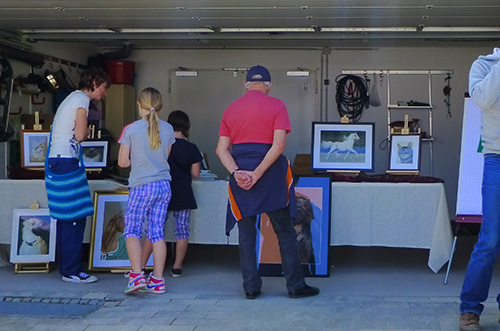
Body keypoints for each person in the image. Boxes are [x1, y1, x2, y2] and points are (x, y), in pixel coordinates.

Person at [215, 65, 320, 299]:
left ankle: (251, 287)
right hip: (271, 173)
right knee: (284, 231)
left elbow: (221, 149)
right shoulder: (277, 106)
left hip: (241, 172)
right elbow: (279, 145)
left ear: (246, 84)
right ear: (269, 85)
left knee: (246, 232)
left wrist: (237, 172)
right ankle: (295, 286)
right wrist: (259, 172)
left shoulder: (231, 109)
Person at [46, 66, 110, 284]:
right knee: (75, 217)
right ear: (94, 83)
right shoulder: (81, 101)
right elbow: (81, 135)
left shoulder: (71, 98)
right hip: (67, 160)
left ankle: (67, 267)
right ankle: (72, 271)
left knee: (66, 217)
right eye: (103, 88)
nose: (105, 93)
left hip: (57, 159)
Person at [118, 87, 175, 294]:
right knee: (157, 232)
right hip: (163, 185)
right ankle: (158, 280)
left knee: (132, 229)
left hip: (141, 185)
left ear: (138, 105)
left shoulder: (131, 129)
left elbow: (123, 162)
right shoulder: (168, 129)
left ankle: (136, 276)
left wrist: (139, 159)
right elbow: (165, 156)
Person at [460, 47, 500, 331]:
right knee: (490, 239)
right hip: (496, 159)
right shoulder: (484, 65)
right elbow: (483, 99)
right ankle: (470, 309)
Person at [166, 110, 202, 277]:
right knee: (182, 231)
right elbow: (196, 174)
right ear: (186, 127)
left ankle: (146, 265)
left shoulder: (162, 145)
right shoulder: (192, 148)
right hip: (183, 192)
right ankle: (177, 266)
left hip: (164, 191)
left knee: (155, 228)